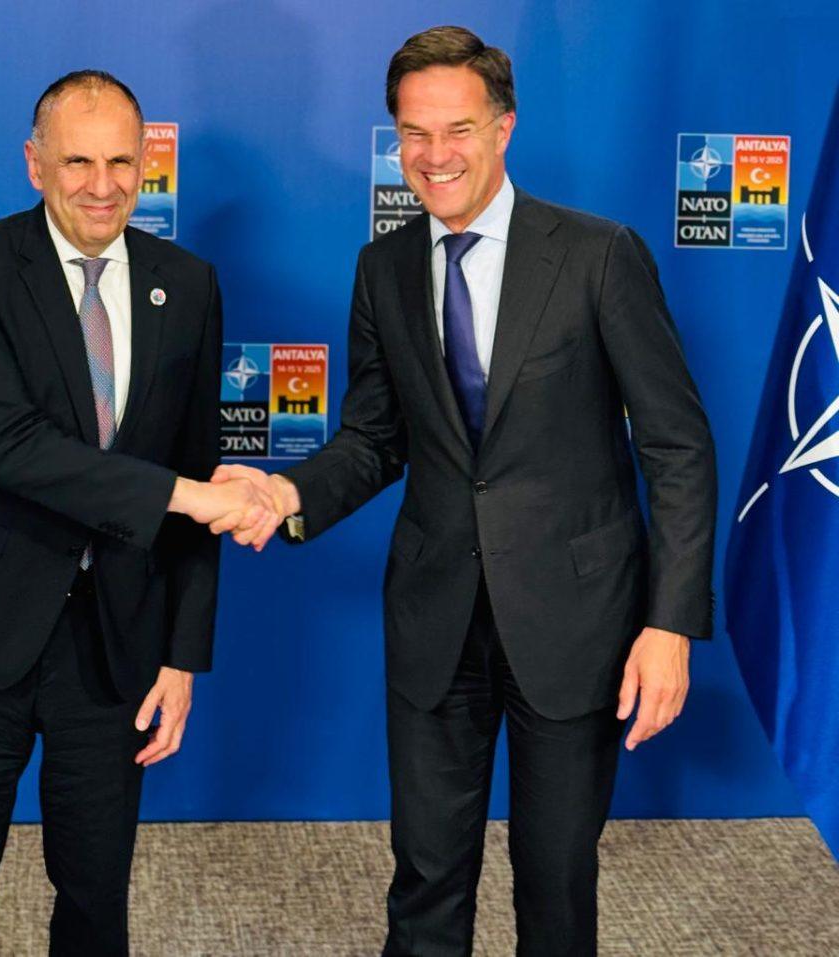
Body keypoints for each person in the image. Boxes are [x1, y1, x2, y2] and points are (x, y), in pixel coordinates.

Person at [215, 26, 717, 956]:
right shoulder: (383, 267)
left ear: (503, 128)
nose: (434, 155)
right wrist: (287, 495)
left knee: (555, 882)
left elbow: (677, 447)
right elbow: (374, 438)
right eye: (414, 133)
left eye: (457, 130)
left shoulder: (600, 255)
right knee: (426, 878)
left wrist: (670, 622)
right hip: (434, 615)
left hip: (575, 620)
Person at [0, 70, 272, 956]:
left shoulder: (189, 283)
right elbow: (12, 446)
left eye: (122, 162)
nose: (103, 185)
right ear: (35, 164)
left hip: (115, 644)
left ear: (147, 163)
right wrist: (187, 494)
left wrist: (182, 652)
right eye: (78, 162)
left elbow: (199, 458)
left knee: (96, 901)